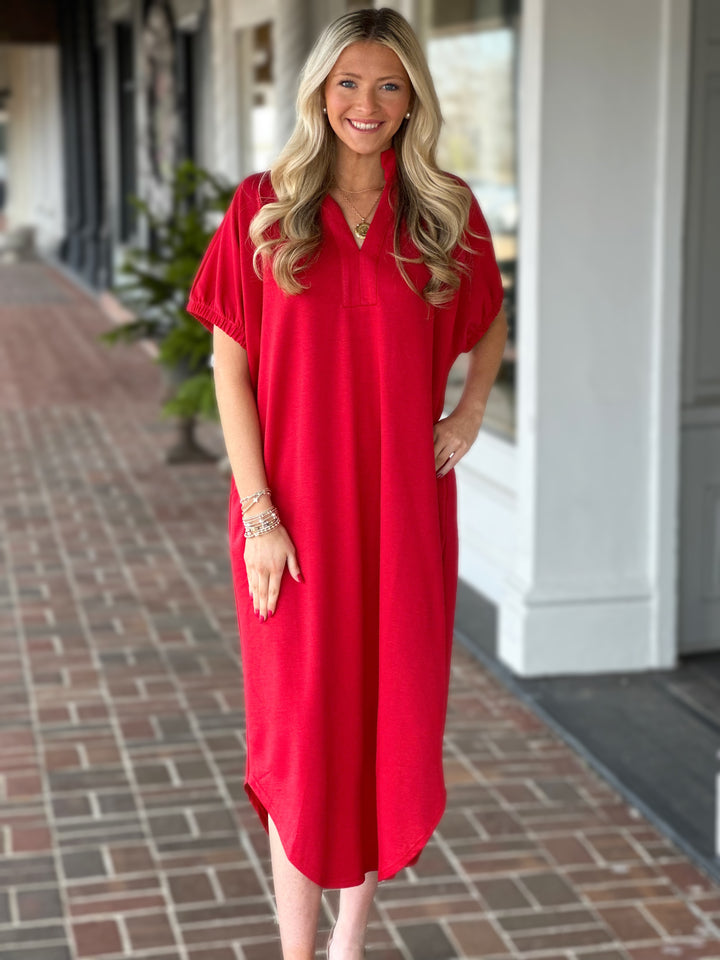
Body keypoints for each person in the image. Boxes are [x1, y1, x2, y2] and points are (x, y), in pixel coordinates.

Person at [186, 7, 508, 959]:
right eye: (349, 83)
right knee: (301, 743)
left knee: (384, 734)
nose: (367, 104)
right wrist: (259, 517)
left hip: (403, 519)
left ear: (413, 101)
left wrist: (469, 413)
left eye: (388, 85)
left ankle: (348, 946)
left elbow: (489, 319)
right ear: (321, 93)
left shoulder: (444, 212)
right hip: (290, 520)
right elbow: (229, 370)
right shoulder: (264, 208)